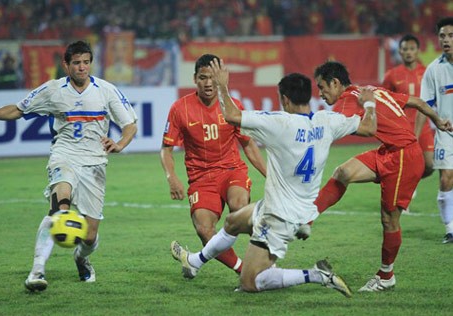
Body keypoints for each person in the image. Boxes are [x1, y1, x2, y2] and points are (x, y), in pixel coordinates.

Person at [171, 58, 378, 296]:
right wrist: (370, 104)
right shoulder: (328, 121)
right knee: (233, 222)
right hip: (293, 206)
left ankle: (317, 275)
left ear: (285, 100)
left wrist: (222, 86)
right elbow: (369, 128)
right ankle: (195, 261)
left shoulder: (279, 123)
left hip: (279, 216)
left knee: (250, 283)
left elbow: (230, 115)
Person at [0, 41, 138, 292]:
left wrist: (120, 143)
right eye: (76, 63)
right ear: (66, 64)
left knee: (90, 235)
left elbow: (129, 124)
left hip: (94, 163)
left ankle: (81, 257)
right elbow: (19, 110)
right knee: (58, 210)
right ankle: (37, 272)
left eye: (86, 62)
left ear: (91, 63)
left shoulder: (106, 90)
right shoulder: (53, 90)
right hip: (64, 157)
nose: (82, 67)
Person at [313, 61, 452, 292]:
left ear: (335, 83)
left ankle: (386, 276)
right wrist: (437, 120)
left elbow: (338, 126)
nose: (320, 93)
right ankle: (307, 217)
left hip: (403, 158)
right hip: (388, 151)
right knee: (343, 172)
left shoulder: (350, 99)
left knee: (389, 219)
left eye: (321, 87)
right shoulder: (373, 90)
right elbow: (417, 102)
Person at [161, 54, 266, 277]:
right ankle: (243, 270)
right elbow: (166, 149)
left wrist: (270, 175)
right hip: (201, 178)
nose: (208, 83)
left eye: (212, 78)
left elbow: (248, 146)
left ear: (221, 78)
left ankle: (260, 260)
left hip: (231, 170)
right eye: (203, 77)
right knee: (204, 229)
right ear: (195, 79)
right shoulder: (180, 109)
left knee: (239, 208)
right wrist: (172, 177)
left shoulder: (232, 106)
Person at [419, 17, 453, 244]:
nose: (446, 40)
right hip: (446, 133)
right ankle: (450, 228)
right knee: (446, 178)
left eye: (450, 35)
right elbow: (423, 105)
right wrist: (413, 137)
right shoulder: (433, 70)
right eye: (442, 36)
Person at [382, 34, 434, 179]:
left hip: (423, 126)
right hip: (402, 126)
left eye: (412, 49)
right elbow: (385, 101)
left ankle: (410, 181)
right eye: (405, 49)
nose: (409, 52)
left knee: (429, 165)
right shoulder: (391, 75)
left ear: (418, 50)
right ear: (400, 52)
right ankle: (403, 186)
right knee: (402, 162)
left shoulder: (427, 72)